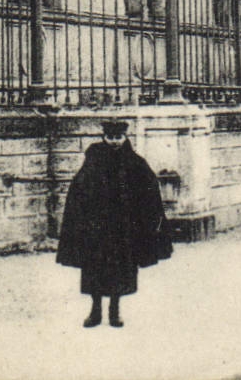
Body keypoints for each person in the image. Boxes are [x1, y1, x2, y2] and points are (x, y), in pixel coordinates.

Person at [55, 119, 168, 328]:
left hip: (123, 228)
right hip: (97, 227)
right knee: (95, 268)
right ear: (103, 137)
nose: (115, 141)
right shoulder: (94, 160)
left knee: (120, 269)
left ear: (125, 138)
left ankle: (115, 311)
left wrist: (142, 217)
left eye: (119, 137)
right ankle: (95, 310)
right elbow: (79, 189)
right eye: (111, 137)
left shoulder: (134, 162)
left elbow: (149, 189)